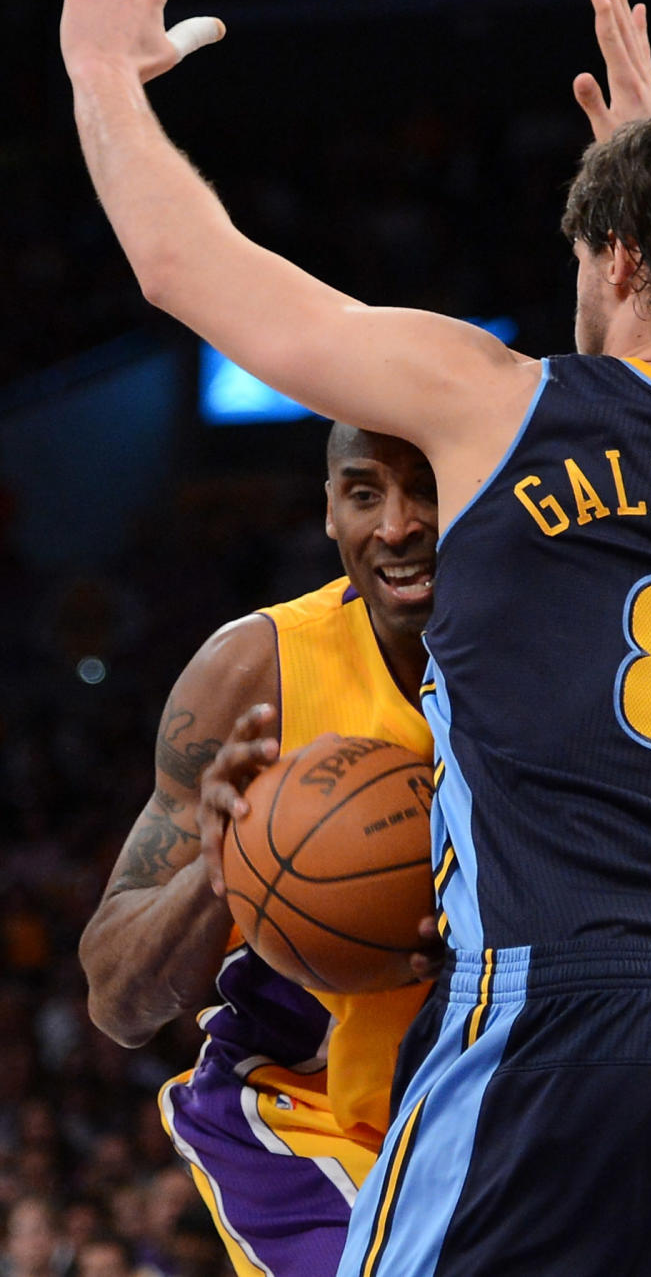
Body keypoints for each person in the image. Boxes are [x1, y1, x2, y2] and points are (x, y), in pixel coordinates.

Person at [61, 0, 651, 1276]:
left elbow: (182, 264)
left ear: (619, 256)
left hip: (565, 1020)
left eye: (590, 248)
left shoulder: (504, 408)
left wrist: (100, 73)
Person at [77, 423, 438, 1276]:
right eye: (362, 492)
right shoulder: (255, 671)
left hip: (493, 1098)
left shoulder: (558, 653)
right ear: (326, 512)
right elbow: (117, 1001)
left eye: (427, 485)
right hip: (310, 1115)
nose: (395, 524)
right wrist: (223, 860)